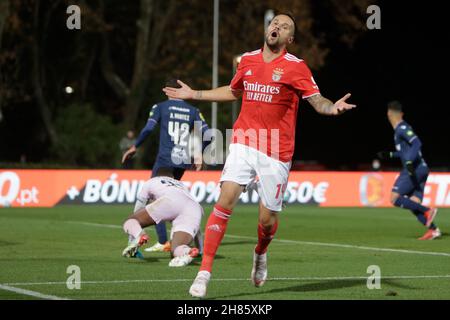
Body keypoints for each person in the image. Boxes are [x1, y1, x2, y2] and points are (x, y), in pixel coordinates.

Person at [163, 13, 356, 298]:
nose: (277, 26)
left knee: (266, 221)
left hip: (277, 150)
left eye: (285, 25)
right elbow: (233, 91)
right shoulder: (248, 60)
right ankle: (204, 273)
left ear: (290, 39)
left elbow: (317, 100)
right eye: (274, 22)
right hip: (244, 140)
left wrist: (331, 108)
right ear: (268, 29)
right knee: (226, 197)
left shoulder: (296, 67)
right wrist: (195, 94)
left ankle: (261, 252)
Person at [122, 79, 210, 254]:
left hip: (164, 159)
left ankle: (152, 239)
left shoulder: (160, 107)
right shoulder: (194, 111)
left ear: (169, 91)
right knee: (171, 197)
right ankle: (177, 238)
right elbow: (208, 134)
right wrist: (200, 153)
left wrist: (135, 146)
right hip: (182, 161)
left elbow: (148, 129)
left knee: (155, 198)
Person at [377, 101, 440, 240]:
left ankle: (428, 211)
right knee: (413, 202)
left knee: (394, 198)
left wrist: (410, 161)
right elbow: (405, 152)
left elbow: (417, 143)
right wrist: (390, 155)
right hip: (421, 169)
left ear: (389, 113)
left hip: (414, 168)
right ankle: (433, 230)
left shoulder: (402, 128)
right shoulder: (398, 131)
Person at [122, 174, 203, 267]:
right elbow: (197, 228)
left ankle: (140, 235)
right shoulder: (181, 185)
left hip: (171, 200)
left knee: (130, 221)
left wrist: (134, 237)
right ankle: (188, 251)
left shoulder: (151, 181)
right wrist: (200, 250)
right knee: (175, 249)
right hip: (194, 207)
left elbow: (138, 209)